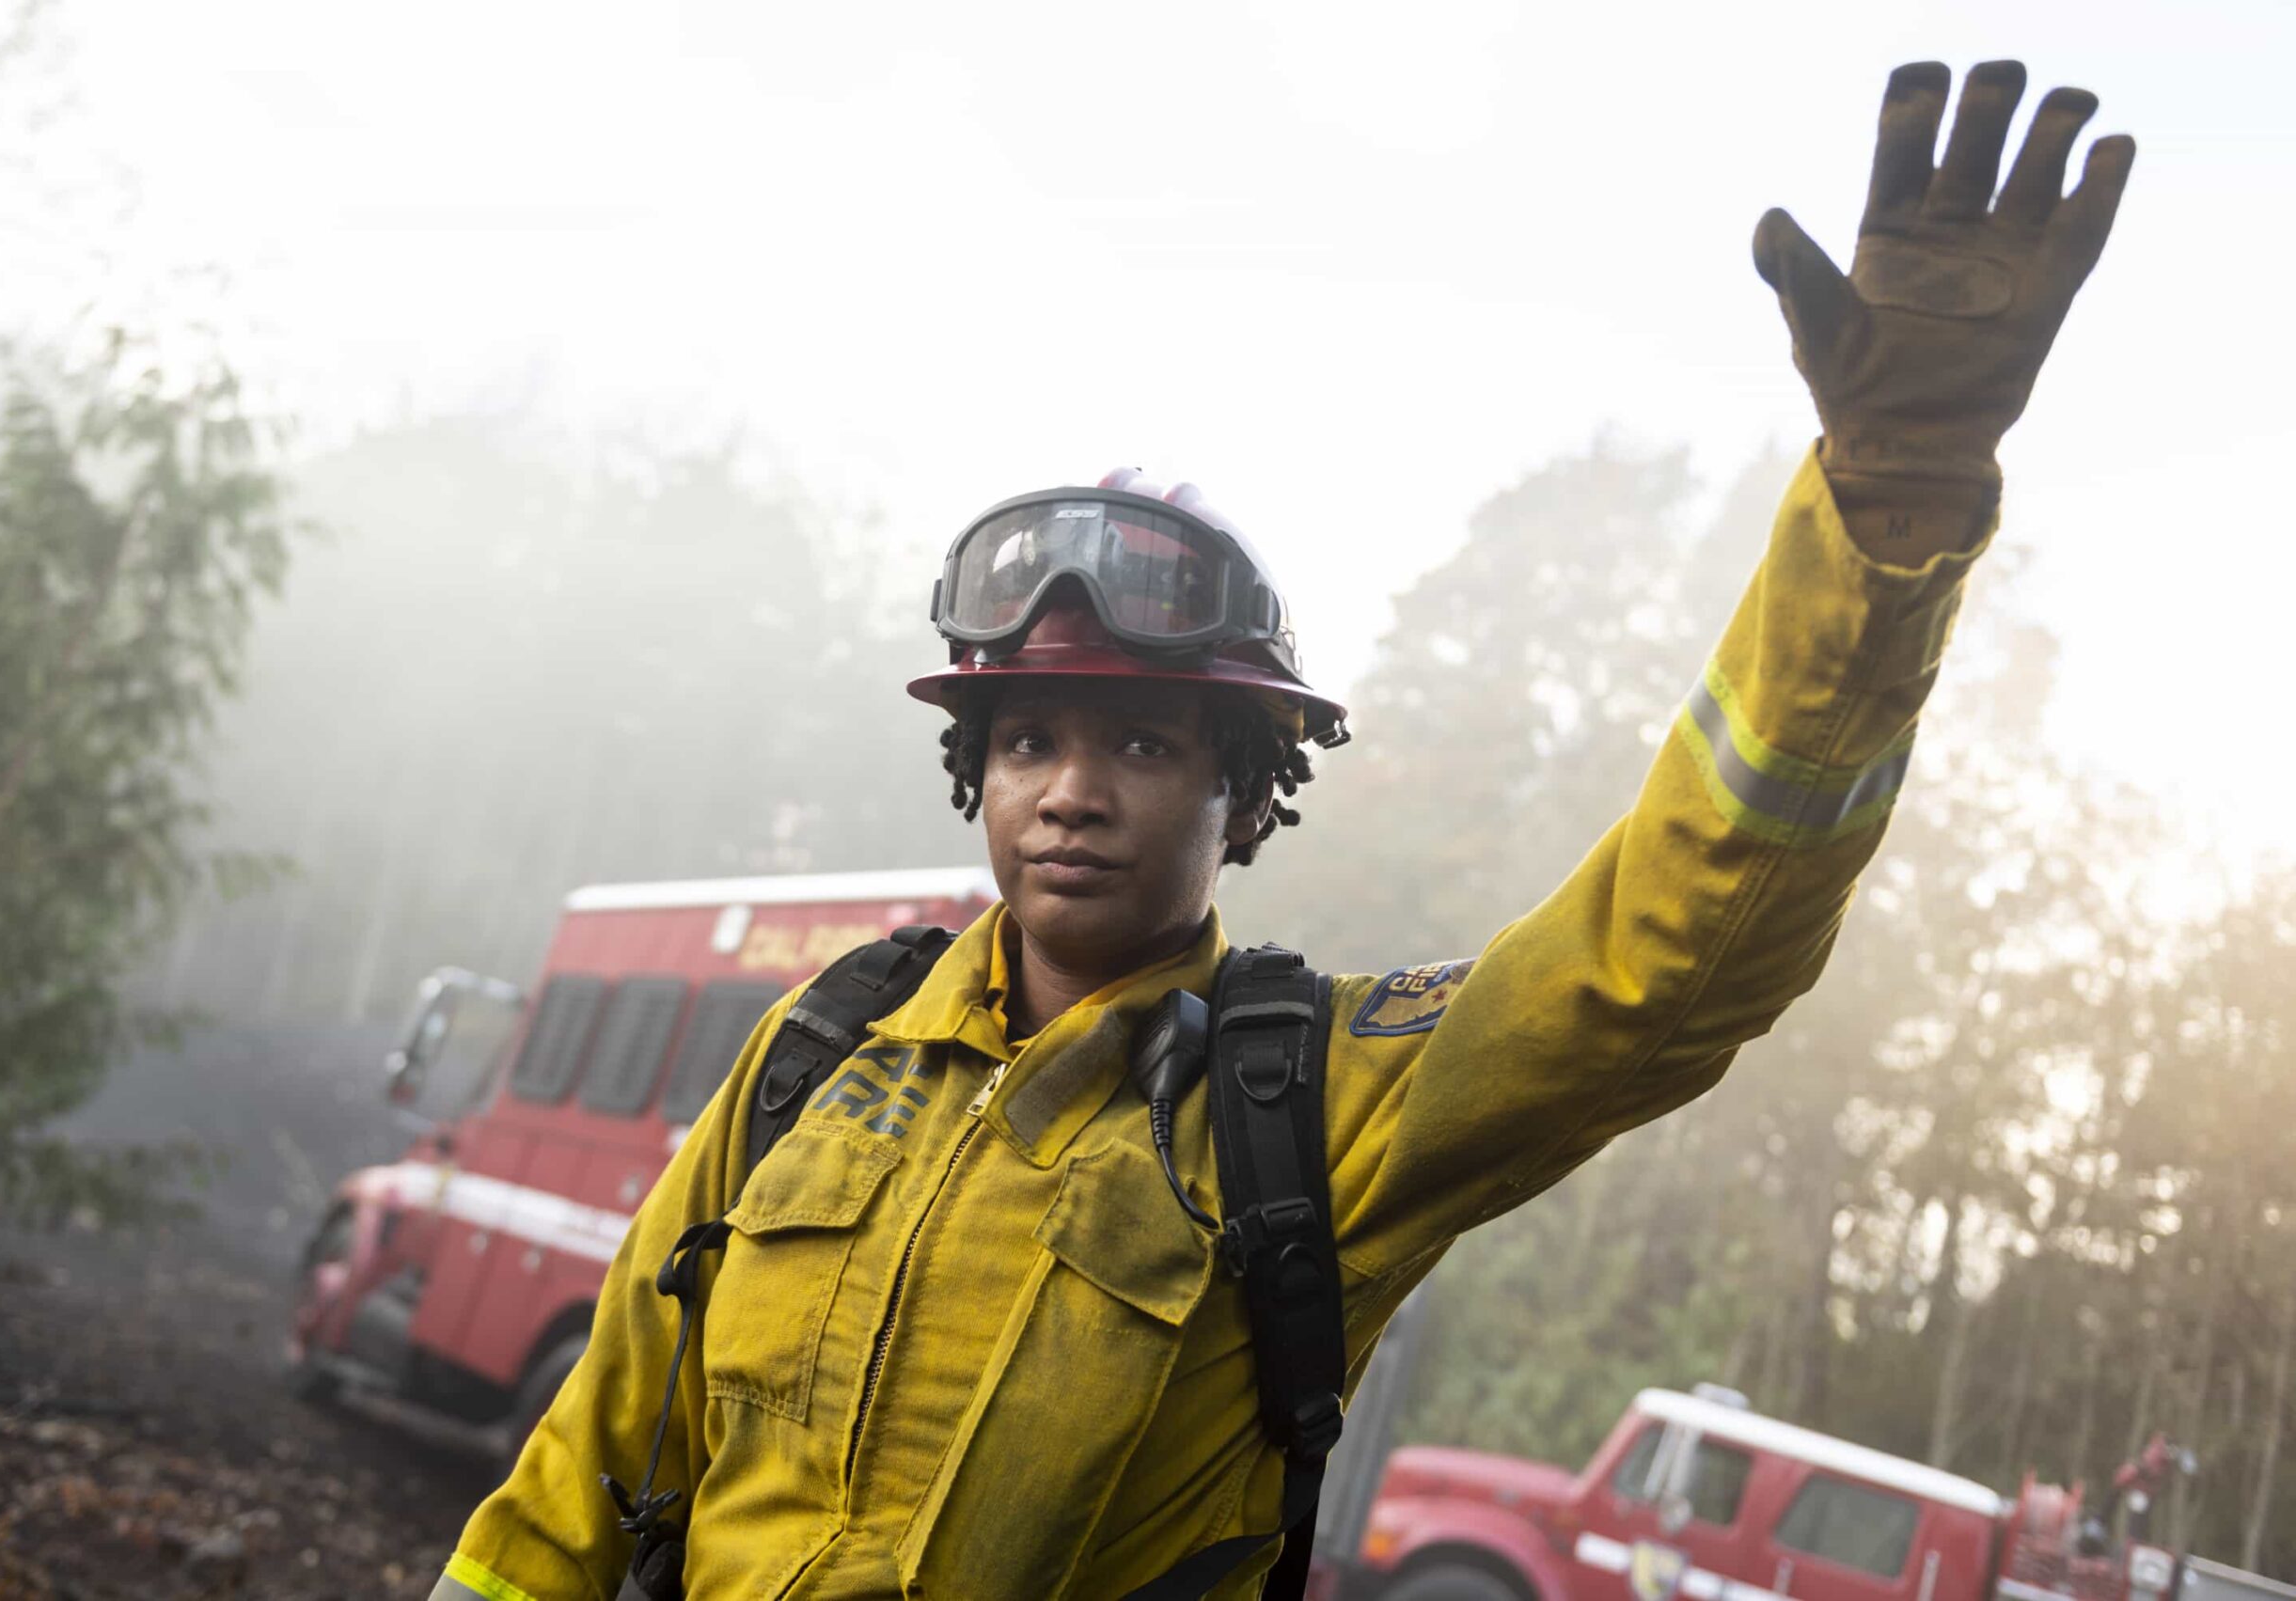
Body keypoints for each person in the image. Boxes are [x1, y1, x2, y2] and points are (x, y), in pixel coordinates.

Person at [432, 59, 2134, 1601]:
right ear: (976, 772)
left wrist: (1890, 501)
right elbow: (571, 1490)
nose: (1071, 791)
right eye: (1027, 737)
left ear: (1246, 791)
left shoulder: (1317, 1103)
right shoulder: (818, 1059)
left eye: (1145, 741)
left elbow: (1661, 961)